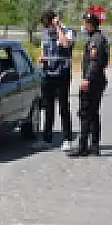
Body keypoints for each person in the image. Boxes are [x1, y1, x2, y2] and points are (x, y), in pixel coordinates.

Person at [68, 11, 110, 157]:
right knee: (93, 113)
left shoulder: (95, 41)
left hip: (93, 82)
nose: (83, 26)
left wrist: (87, 79)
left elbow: (94, 62)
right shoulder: (98, 38)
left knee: (86, 113)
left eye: (85, 23)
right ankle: (94, 146)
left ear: (90, 24)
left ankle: (83, 147)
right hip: (98, 80)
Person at [37, 8, 76, 151]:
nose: (46, 27)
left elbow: (65, 44)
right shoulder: (45, 32)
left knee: (63, 107)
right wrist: (41, 57)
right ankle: (47, 139)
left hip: (62, 73)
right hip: (48, 73)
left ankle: (67, 139)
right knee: (48, 107)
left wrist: (58, 27)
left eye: (48, 23)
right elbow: (44, 49)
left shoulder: (67, 30)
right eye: (45, 24)